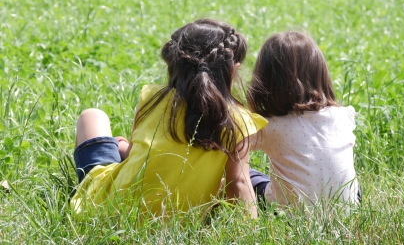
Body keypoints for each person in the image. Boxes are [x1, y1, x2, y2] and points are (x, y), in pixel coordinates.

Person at [70, 19, 267, 219]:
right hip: (180, 223)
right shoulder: (239, 121)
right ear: (233, 70)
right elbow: (239, 183)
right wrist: (250, 231)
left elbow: (131, 155)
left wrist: (120, 145)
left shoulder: (152, 98)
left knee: (92, 116)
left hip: (106, 212)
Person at [247, 31, 360, 208]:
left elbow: (232, 144)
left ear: (266, 82)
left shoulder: (270, 126)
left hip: (289, 214)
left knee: (247, 173)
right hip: (348, 209)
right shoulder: (342, 116)